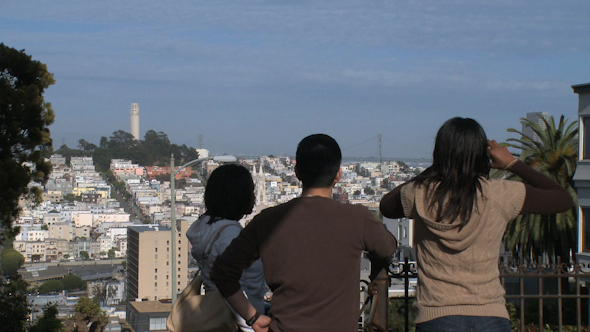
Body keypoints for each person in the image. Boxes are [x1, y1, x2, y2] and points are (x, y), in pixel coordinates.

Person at [379, 117, 574, 332]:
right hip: (490, 313)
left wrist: (438, 167)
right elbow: (562, 199)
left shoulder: (419, 194)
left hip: (436, 314)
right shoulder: (500, 194)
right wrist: (513, 163)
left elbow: (386, 206)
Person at [210, 134, 398, 332]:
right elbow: (387, 248)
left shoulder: (268, 221)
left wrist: (252, 317)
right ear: (338, 175)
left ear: (297, 172)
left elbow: (222, 272)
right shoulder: (357, 218)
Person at [186, 164, 266, 332]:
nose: (254, 198)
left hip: (215, 318)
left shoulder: (208, 228)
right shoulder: (231, 237)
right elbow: (234, 287)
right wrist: (252, 322)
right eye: (250, 192)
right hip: (238, 324)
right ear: (237, 197)